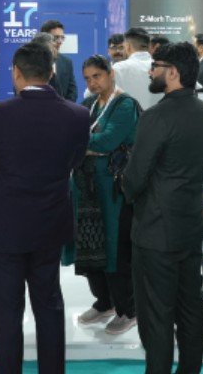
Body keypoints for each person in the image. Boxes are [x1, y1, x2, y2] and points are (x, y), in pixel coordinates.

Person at [0, 41, 90, 374]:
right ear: (51, 73)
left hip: (4, 228)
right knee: (49, 305)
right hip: (49, 225)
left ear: (16, 73)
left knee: (7, 313)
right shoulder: (78, 115)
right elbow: (76, 161)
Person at [123, 41, 203, 374]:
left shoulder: (157, 116)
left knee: (157, 318)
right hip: (191, 226)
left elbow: (135, 178)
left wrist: (124, 181)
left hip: (155, 232)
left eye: (156, 66)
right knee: (191, 310)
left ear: (173, 72)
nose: (150, 72)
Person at [65, 55, 139, 335]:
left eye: (97, 76)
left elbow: (107, 141)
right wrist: (89, 145)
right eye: (87, 78)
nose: (92, 83)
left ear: (110, 74)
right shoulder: (89, 105)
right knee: (89, 247)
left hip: (113, 191)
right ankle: (104, 302)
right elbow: (78, 137)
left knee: (115, 249)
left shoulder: (125, 105)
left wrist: (84, 144)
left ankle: (128, 310)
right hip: (86, 189)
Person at [113, 27, 162, 110]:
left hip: (129, 117)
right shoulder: (161, 67)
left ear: (128, 46)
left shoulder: (118, 68)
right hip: (159, 117)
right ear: (149, 46)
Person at [41, 19, 77, 101]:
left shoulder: (66, 62)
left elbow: (72, 92)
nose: (60, 42)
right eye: (56, 37)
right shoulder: (31, 61)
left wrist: (63, 107)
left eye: (62, 37)